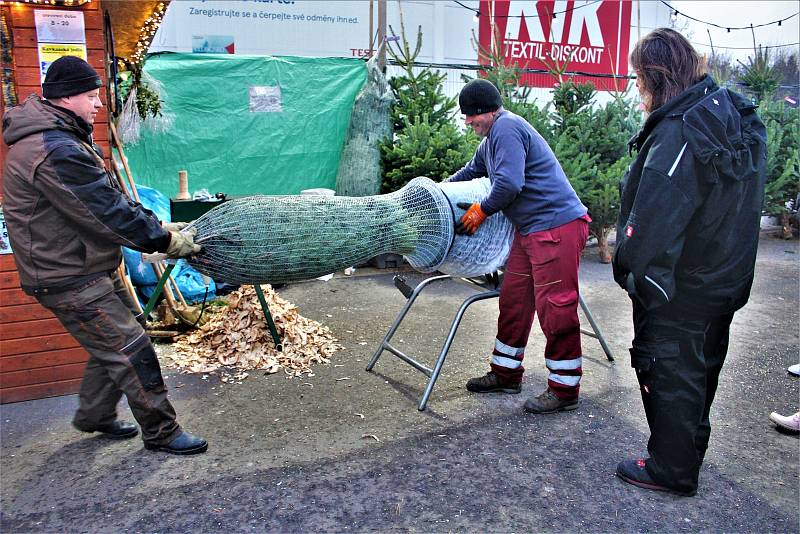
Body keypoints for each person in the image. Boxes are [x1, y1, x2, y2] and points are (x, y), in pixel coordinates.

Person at [2, 56, 207, 455]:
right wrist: (164, 243)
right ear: (65, 98)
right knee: (132, 351)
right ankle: (162, 432)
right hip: (68, 275)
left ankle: (94, 415)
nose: (98, 104)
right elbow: (104, 211)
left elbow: (108, 199)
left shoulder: (62, 137)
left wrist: (158, 227)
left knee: (116, 342)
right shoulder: (54, 148)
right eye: (91, 96)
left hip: (87, 264)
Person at [612, 29, 767, 496]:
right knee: (702, 367)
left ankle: (672, 468)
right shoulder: (731, 114)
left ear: (656, 76)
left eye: (638, 79)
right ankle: (688, 448)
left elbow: (653, 223)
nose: (636, 89)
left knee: (672, 370)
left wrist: (637, 277)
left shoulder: (680, 132)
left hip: (682, 287)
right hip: (724, 278)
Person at [446, 78, 590, 414]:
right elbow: (472, 171)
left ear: (489, 111)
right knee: (513, 300)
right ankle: (506, 374)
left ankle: (565, 389)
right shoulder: (492, 137)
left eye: (472, 116)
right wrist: (439, 193)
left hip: (556, 226)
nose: (468, 122)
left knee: (555, 306)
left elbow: (510, 184)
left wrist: (481, 210)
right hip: (530, 230)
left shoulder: (507, 128)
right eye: (465, 117)